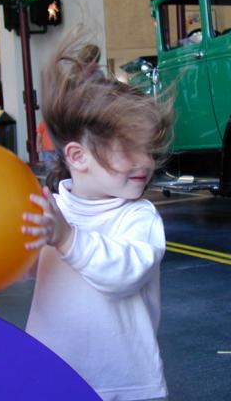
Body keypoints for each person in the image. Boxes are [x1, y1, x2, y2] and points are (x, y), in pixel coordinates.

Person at [20, 30, 174, 401]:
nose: (145, 162)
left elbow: (124, 274)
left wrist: (67, 239)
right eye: (129, 149)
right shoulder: (53, 210)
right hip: (51, 372)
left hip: (124, 384)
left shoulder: (139, 217)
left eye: (149, 149)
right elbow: (26, 269)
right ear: (78, 157)